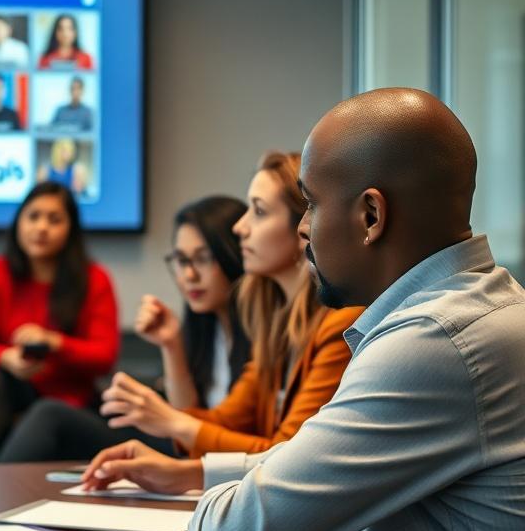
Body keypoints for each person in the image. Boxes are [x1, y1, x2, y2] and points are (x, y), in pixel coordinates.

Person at [84, 90, 525, 531]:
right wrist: (199, 473)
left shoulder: (434, 342)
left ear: (371, 217)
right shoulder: (481, 309)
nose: (304, 229)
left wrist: (208, 500)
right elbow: (310, 459)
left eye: (311, 204)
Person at [97, 152, 360, 459]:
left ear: (303, 225)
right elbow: (224, 420)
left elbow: (286, 455)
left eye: (258, 212)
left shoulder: (340, 325)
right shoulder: (275, 329)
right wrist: (164, 416)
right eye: (181, 260)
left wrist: (173, 422)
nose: (240, 227)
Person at [0, 196, 250, 463]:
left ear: (235, 254)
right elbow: (187, 416)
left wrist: (56, 343)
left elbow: (188, 429)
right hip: (195, 447)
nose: (189, 275)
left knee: (50, 416)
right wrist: (171, 345)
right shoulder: (204, 327)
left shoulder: (262, 333)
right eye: (181, 260)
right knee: (0, 384)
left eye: (203, 258)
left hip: (218, 457)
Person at [0, 182, 119, 457]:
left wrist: (54, 342)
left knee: (44, 415)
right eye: (33, 216)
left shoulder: (94, 279)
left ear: (71, 229)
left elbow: (105, 355)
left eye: (54, 219)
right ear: (19, 222)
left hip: (72, 404)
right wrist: (5, 357)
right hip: (12, 391)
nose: (41, 227)